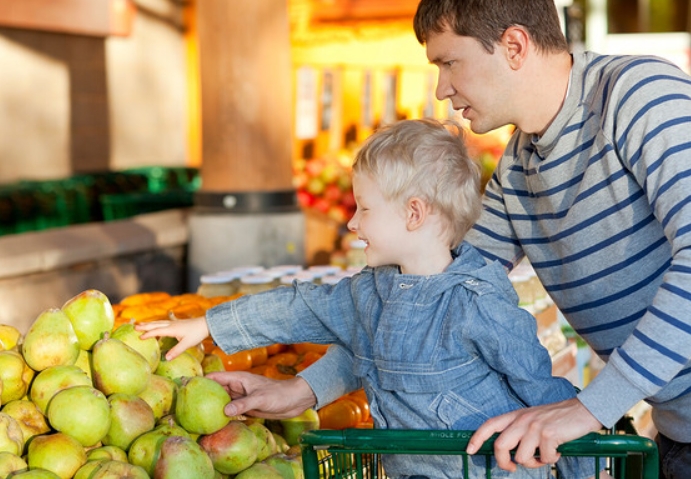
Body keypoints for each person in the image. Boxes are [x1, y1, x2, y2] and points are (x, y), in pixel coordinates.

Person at [176, 1, 691, 478]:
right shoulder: (519, 164)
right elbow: (424, 308)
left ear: (513, 46)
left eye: (449, 63)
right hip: (677, 428)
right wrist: (305, 388)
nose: (441, 88)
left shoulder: (637, 95)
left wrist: (587, 408)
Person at [137, 118, 597, 479]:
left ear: (414, 213)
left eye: (365, 208)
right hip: (408, 470)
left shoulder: (477, 303)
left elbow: (543, 392)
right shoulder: (371, 291)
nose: (352, 222)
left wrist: (581, 466)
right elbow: (302, 306)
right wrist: (209, 324)